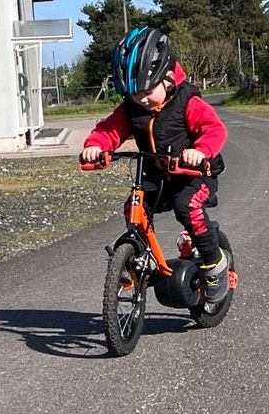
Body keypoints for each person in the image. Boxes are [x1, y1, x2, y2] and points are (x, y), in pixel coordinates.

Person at [81, 26, 230, 302]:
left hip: (195, 174)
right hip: (157, 175)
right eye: (135, 94)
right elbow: (110, 130)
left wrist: (200, 151)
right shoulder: (133, 107)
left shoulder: (188, 102)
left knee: (188, 207)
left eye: (148, 91)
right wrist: (95, 146)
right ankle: (138, 259)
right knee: (135, 207)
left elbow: (215, 130)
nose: (142, 99)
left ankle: (215, 265)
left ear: (169, 77)